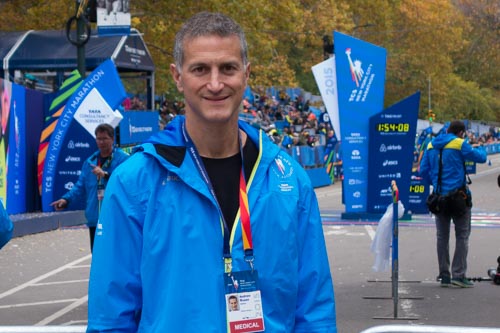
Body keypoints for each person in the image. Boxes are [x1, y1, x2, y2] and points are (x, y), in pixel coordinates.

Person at [87, 11, 336, 332]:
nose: (215, 83)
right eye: (200, 69)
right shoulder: (135, 181)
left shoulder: (288, 179)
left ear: (246, 74)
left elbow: (314, 311)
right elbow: (111, 316)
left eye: (228, 68)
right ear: (178, 77)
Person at [420, 120, 487, 288]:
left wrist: (436, 183)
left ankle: (444, 274)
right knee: (462, 236)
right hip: (459, 198)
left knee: (442, 237)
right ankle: (459, 274)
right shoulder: (459, 143)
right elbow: (481, 158)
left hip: (439, 198)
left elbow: (422, 171)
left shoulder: (430, 145)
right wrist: (480, 147)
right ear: (461, 132)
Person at [50, 123, 128, 253]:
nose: (101, 142)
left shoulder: (123, 159)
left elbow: (127, 182)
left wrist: (105, 175)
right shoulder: (90, 162)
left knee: (116, 255)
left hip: (116, 216)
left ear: (112, 139)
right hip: (95, 216)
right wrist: (66, 200)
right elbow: (80, 186)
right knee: (97, 255)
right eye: (99, 138)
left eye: (105, 138)